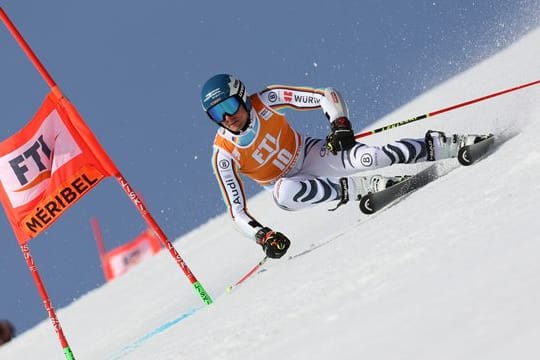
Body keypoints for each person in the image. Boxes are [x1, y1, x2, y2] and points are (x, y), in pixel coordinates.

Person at [201, 74, 486, 259]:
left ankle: (450, 144)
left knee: (368, 157)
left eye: (228, 106)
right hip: (290, 184)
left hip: (312, 153)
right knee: (283, 195)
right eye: (216, 113)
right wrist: (263, 236)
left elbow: (325, 94)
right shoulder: (224, 155)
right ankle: (368, 187)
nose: (226, 117)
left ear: (241, 96)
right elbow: (237, 212)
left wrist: (339, 123)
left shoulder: (266, 100)